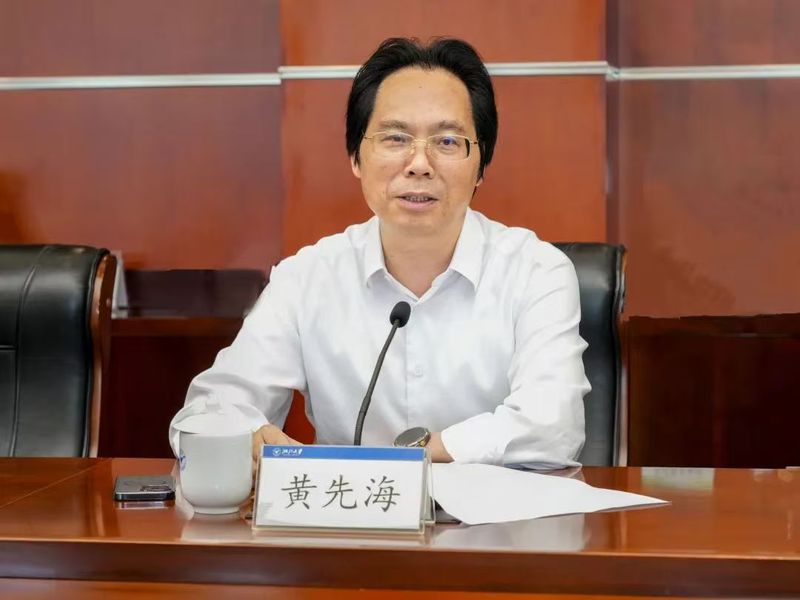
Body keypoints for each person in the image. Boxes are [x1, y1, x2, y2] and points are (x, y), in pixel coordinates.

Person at [170, 37, 590, 469]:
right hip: (346, 510)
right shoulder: (307, 277)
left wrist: (415, 457)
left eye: (447, 141)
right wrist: (245, 440)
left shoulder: (536, 272)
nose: (419, 164)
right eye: (395, 138)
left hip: (495, 512)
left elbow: (554, 426)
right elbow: (205, 415)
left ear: (480, 165)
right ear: (356, 157)